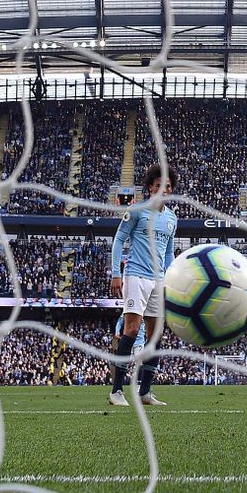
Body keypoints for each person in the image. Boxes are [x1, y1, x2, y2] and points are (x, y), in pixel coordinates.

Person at [108, 164, 178, 406]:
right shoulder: (137, 210)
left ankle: (145, 392)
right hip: (136, 275)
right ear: (150, 187)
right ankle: (116, 391)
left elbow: (168, 253)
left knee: (155, 334)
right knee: (131, 330)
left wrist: (172, 279)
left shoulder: (171, 218)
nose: (163, 190)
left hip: (158, 281)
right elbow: (119, 241)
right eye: (159, 186)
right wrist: (115, 273)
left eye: (167, 187)